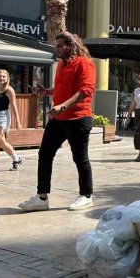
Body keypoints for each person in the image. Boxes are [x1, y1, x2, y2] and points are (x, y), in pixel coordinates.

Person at [18, 32, 96, 212]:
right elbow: (63, 87)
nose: (57, 49)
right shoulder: (62, 64)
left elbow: (86, 90)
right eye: (56, 46)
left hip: (78, 118)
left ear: (71, 46)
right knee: (45, 154)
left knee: (80, 157)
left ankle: (86, 195)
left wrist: (62, 106)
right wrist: (47, 92)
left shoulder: (84, 63)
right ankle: (42, 197)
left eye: (60, 46)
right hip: (59, 119)